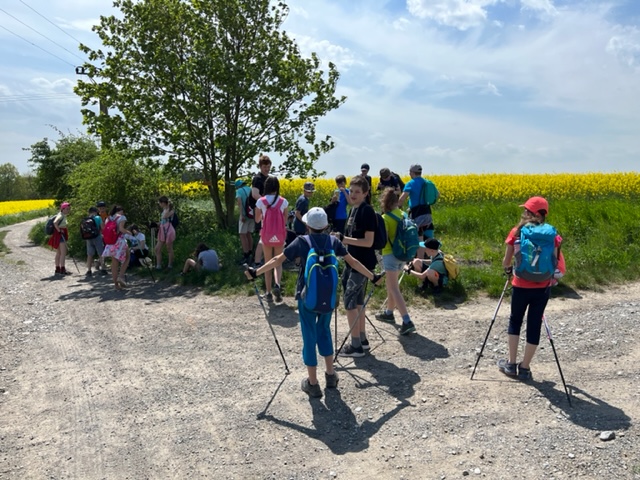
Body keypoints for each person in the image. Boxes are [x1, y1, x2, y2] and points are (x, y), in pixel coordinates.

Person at [244, 207, 384, 398]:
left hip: (307, 297)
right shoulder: (334, 241)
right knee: (324, 332)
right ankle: (331, 375)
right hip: (328, 298)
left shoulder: (302, 241)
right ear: (326, 226)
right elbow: (354, 262)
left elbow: (277, 259)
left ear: (307, 225)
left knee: (309, 337)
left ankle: (313, 383)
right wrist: (373, 276)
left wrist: (256, 272)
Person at [498, 196, 565, 381]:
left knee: (515, 321)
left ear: (531, 213)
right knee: (534, 324)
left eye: (526, 210)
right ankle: (525, 368)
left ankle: (511, 364)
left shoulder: (517, 232)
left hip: (520, 285)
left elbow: (506, 262)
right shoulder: (552, 235)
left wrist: (509, 269)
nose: (523, 212)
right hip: (542, 287)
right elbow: (557, 264)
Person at [332, 175, 378, 357]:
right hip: (352, 262)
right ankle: (362, 340)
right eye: (351, 191)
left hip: (361, 264)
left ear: (366, 193)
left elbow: (368, 242)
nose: (353, 194)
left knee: (350, 303)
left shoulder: (367, 211)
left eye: (357, 192)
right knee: (358, 302)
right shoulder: (354, 209)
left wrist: (343, 239)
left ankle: (355, 345)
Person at [375, 188, 416, 334]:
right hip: (403, 255)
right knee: (391, 285)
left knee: (393, 288)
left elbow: (383, 239)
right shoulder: (403, 214)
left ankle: (407, 320)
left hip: (390, 254)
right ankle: (389, 313)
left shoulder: (385, 218)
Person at [254, 175, 289, 303]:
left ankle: (268, 293)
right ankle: (277, 285)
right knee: (278, 262)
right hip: (279, 236)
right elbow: (285, 220)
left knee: (268, 262)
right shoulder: (283, 201)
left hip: (266, 236)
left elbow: (257, 220)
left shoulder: (261, 201)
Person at [398, 164, 438, 258]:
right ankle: (434, 257)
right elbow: (437, 194)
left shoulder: (411, 183)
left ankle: (420, 260)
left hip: (417, 213)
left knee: (418, 237)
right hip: (427, 211)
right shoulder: (427, 182)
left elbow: (402, 199)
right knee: (429, 236)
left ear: (412, 172)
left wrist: (398, 208)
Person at [102, 205, 131, 290]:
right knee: (127, 257)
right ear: (120, 211)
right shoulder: (122, 217)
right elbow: (121, 229)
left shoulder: (108, 218)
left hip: (110, 242)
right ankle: (121, 276)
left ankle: (116, 285)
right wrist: (128, 232)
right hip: (119, 241)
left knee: (114, 263)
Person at [251, 154, 272, 267]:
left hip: (269, 211)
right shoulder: (257, 179)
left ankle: (264, 259)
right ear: (260, 166)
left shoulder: (269, 179)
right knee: (262, 237)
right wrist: (268, 203)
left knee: (267, 237)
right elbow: (255, 194)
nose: (267, 169)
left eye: (268, 167)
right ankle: (257, 262)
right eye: (264, 167)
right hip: (261, 210)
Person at [48, 202, 71, 276]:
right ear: (63, 209)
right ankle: (62, 269)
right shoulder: (61, 215)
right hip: (60, 235)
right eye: (67, 209)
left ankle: (57, 269)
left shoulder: (61, 215)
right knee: (63, 253)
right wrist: (59, 231)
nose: (68, 210)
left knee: (59, 253)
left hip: (58, 235)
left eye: (69, 209)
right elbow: (55, 223)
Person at [235, 179, 255, 265]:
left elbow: (239, 202)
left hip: (244, 216)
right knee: (249, 234)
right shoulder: (251, 189)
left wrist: (241, 215)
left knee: (242, 234)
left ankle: (246, 255)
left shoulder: (239, 191)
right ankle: (250, 252)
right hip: (252, 215)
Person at [84, 206, 108, 276]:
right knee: (101, 253)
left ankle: (89, 270)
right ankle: (103, 269)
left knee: (89, 254)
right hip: (97, 237)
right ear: (96, 211)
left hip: (88, 238)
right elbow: (103, 227)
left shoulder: (86, 219)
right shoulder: (98, 218)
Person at [155, 196, 176, 269]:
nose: (159, 204)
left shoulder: (171, 210)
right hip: (162, 230)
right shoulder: (164, 210)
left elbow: (165, 217)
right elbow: (162, 221)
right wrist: (156, 224)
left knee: (169, 248)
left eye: (160, 203)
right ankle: (158, 266)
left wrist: (168, 206)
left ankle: (170, 265)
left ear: (163, 203)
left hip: (169, 230)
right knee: (157, 249)